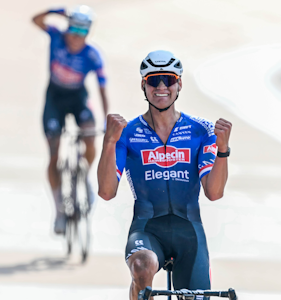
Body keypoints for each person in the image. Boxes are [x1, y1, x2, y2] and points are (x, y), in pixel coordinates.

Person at [97, 50, 232, 300]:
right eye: (153, 80)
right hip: (148, 229)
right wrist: (109, 143)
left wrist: (222, 150)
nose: (161, 86)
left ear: (179, 84)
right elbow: (106, 192)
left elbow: (214, 193)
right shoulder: (127, 133)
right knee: (141, 266)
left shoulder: (201, 130)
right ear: (143, 85)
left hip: (189, 230)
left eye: (168, 80)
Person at [32, 5, 109, 234]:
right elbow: (35, 19)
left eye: (83, 31)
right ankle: (58, 211)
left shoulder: (92, 54)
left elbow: (102, 88)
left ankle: (85, 176)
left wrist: (105, 119)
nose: (76, 36)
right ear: (68, 27)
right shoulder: (56, 38)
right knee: (54, 154)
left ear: (89, 33)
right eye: (74, 29)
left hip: (78, 98)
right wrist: (55, 11)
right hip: (54, 99)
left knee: (90, 135)